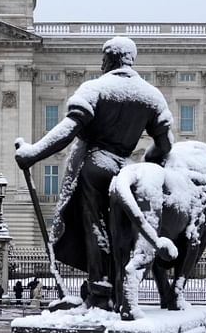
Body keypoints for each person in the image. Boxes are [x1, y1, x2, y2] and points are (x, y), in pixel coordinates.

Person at [14, 37, 173, 311]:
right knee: (120, 234)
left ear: (110, 59)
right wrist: (149, 160)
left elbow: (68, 130)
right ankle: (118, 289)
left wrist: (33, 153)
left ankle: (100, 290)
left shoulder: (96, 88)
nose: (102, 64)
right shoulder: (151, 95)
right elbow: (166, 144)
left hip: (95, 166)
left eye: (103, 59)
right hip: (124, 169)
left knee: (96, 229)